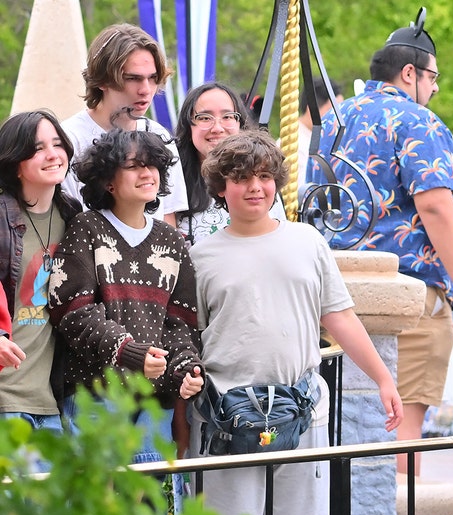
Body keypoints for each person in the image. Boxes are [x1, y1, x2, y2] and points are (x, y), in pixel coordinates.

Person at [189, 130, 403, 515]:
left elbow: (339, 316)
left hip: (302, 407)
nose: (255, 187)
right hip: (226, 415)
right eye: (242, 178)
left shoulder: (308, 241)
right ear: (221, 186)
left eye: (265, 176)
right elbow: (191, 339)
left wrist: (382, 378)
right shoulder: (200, 257)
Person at [309, 8, 453, 476]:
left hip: (334, 296)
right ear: (410, 73)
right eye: (433, 77)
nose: (437, 87)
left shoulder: (332, 122)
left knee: (342, 428)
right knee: (400, 430)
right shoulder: (418, 121)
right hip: (406, 298)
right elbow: (437, 206)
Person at [47, 129, 205, 466]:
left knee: (148, 511)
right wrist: (128, 351)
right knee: (98, 510)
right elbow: (72, 312)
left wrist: (185, 370)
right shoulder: (85, 228)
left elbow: (181, 326)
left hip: (153, 406)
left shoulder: (172, 242)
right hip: (96, 400)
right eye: (134, 166)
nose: (147, 173)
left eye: (153, 165)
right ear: (108, 181)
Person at [0, 110, 82, 438]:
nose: (52, 154)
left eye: (57, 143)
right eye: (37, 148)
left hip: (48, 405)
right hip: (5, 398)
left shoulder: (73, 217)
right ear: (14, 161)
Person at [61, 23, 188, 227]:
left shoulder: (158, 135)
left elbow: (168, 218)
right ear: (102, 80)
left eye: (153, 78)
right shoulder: (67, 139)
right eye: (133, 78)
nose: (146, 90)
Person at [175, 81, 285, 246]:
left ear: (240, 124)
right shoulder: (172, 181)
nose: (217, 128)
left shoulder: (261, 184)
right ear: (188, 125)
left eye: (227, 117)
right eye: (205, 118)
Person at [295, 76, 343, 202]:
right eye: (332, 111)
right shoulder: (295, 143)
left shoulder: (322, 139)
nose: (338, 118)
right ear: (312, 108)